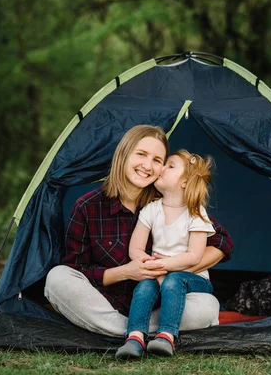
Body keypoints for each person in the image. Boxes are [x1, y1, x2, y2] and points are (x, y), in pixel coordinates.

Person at [44, 125, 233, 339]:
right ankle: (127, 328)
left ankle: (135, 330)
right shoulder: (87, 206)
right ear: (124, 154)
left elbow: (222, 243)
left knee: (207, 306)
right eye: (141, 154)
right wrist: (126, 272)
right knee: (56, 278)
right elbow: (76, 268)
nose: (147, 166)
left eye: (157, 160)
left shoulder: (169, 200)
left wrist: (168, 270)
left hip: (159, 304)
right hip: (106, 302)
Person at [116, 150, 215, 359]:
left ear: (185, 182)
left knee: (173, 280)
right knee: (144, 286)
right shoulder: (151, 210)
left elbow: (195, 256)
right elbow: (135, 249)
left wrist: (164, 267)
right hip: (157, 270)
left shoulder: (196, 212)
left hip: (193, 277)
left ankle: (166, 336)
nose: (161, 169)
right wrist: (149, 265)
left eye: (170, 166)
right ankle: (134, 337)